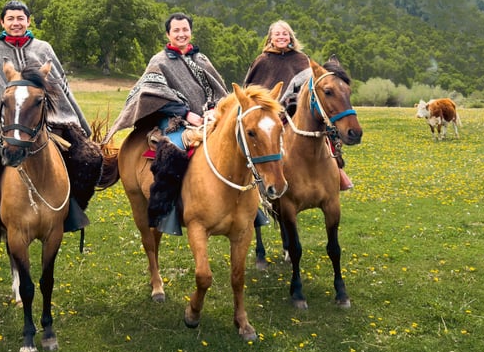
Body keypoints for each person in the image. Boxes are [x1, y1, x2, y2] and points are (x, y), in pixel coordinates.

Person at [0, 0, 102, 241]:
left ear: (28, 21)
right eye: (11, 18)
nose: (16, 23)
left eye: (20, 18)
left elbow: (60, 90)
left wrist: (74, 126)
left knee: (88, 158)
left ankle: (70, 209)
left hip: (48, 120)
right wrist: (4, 122)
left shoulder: (43, 48)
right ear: (2, 22)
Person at [105, 12, 228, 234]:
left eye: (185, 30)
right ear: (168, 34)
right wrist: (186, 113)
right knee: (174, 151)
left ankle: (247, 208)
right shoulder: (159, 61)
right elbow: (153, 94)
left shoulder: (202, 60)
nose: (181, 34)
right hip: (173, 121)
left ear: (190, 31)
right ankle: (169, 210)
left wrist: (213, 110)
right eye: (176, 31)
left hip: (209, 119)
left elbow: (218, 92)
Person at [244, 19, 353, 190]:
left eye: (284, 33)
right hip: (270, 113)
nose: (281, 37)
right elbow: (251, 89)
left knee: (323, 130)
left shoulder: (301, 59)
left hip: (296, 108)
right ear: (270, 38)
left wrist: (294, 99)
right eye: (277, 34)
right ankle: (261, 177)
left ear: (290, 37)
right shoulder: (262, 61)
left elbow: (311, 86)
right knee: (264, 138)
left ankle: (336, 170)